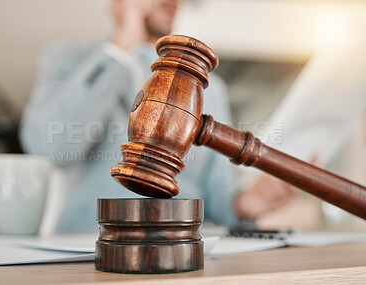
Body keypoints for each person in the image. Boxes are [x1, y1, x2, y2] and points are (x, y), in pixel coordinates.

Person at [20, 0, 293, 232]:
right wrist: (123, 43)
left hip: (179, 249)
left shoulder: (210, 89)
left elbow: (216, 196)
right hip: (86, 249)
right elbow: (51, 147)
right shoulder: (68, 61)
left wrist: (247, 203)